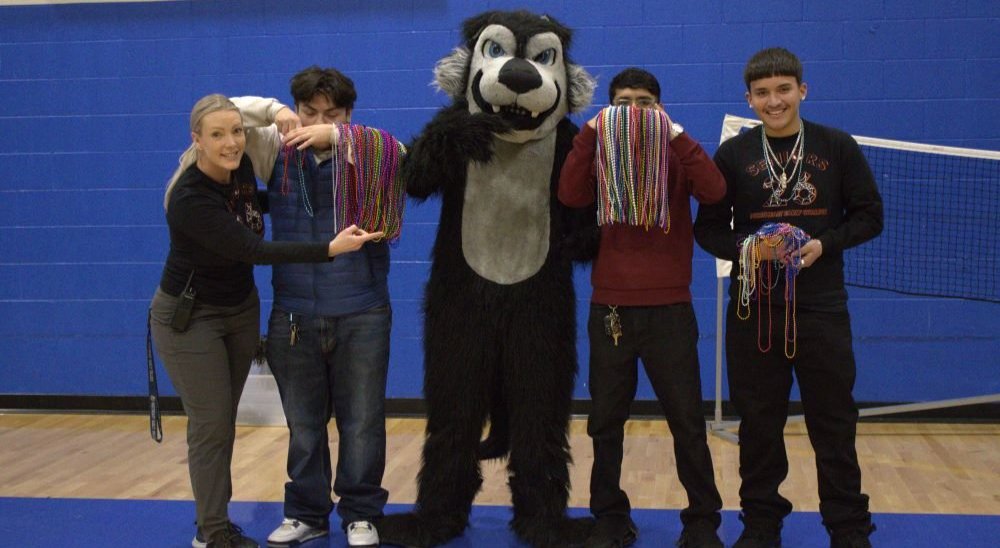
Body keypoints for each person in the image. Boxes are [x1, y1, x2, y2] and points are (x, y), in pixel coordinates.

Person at [150, 94, 382, 548]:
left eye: (237, 132)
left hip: (239, 312)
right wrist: (328, 250)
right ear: (195, 140)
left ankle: (220, 523)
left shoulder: (237, 173)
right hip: (190, 317)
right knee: (212, 424)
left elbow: (267, 188)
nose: (232, 143)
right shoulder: (189, 198)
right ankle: (211, 533)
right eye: (216, 135)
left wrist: (275, 114)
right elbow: (253, 251)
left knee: (224, 423)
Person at [694, 48, 883, 548]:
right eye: (762, 93)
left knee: (834, 422)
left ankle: (847, 528)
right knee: (758, 425)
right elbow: (707, 229)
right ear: (749, 98)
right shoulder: (733, 155)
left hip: (820, 308)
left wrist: (825, 244)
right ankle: (760, 526)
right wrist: (748, 248)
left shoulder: (836, 147)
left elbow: (869, 215)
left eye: (783, 89)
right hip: (754, 310)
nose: (773, 101)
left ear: (802, 90)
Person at [558, 68, 726, 548]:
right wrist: (591, 132)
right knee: (605, 422)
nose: (634, 109)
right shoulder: (600, 155)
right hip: (610, 310)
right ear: (610, 108)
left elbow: (714, 190)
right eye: (624, 101)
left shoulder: (674, 154)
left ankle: (701, 523)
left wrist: (674, 133)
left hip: (670, 309)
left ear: (660, 106)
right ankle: (609, 517)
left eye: (645, 101)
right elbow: (569, 194)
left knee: (687, 422)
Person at [230, 66, 396, 548]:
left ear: (349, 115)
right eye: (309, 112)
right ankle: (306, 512)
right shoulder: (272, 148)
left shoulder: (372, 151)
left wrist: (340, 136)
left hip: (363, 310)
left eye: (332, 114)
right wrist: (274, 111)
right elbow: (217, 112)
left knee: (362, 421)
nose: (317, 122)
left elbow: (400, 153)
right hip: (294, 314)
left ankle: (361, 512)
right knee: (303, 425)